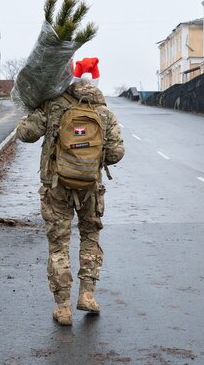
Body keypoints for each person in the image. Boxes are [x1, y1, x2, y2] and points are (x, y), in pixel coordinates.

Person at [16, 58, 125, 326]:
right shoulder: (104, 112)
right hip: (90, 187)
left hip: (56, 186)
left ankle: (63, 307)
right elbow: (115, 153)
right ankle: (87, 294)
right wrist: (91, 157)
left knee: (58, 243)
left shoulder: (54, 104)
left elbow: (25, 134)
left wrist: (33, 108)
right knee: (90, 235)